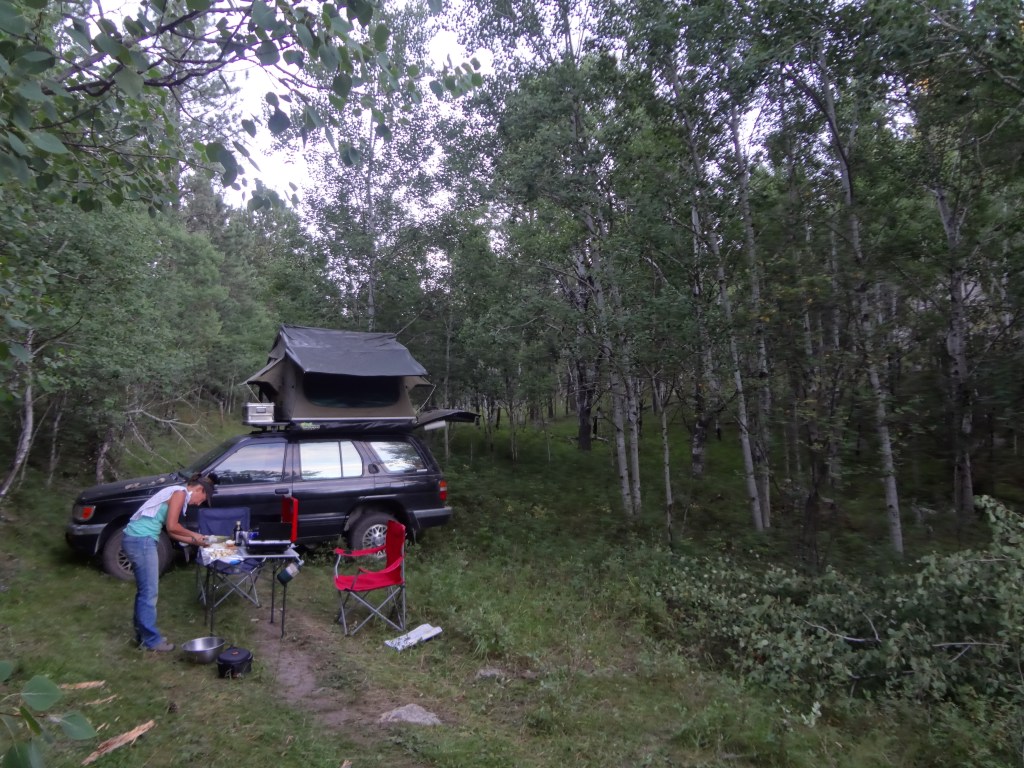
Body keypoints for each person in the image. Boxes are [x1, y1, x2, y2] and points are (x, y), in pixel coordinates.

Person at [122, 473, 215, 652]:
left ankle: (143, 637)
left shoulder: (175, 492)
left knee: (145, 591)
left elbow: (172, 533)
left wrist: (198, 542)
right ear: (198, 489)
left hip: (137, 539)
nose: (199, 503)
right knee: (149, 592)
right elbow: (173, 527)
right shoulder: (180, 493)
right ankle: (152, 642)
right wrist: (195, 535)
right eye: (202, 499)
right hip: (141, 540)